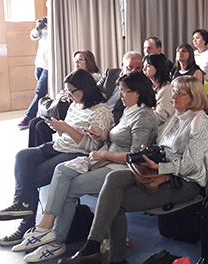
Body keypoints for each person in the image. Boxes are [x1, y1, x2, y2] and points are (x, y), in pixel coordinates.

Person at [60, 76, 208, 264]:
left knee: (114, 203)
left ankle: (102, 254)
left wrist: (159, 166)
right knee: (115, 178)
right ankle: (94, 248)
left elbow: (193, 166)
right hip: (161, 172)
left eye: (179, 93)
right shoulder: (176, 118)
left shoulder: (201, 123)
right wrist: (151, 157)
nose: (172, 97)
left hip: (183, 183)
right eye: (173, 91)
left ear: (193, 97)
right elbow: (165, 149)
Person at [11, 72, 158, 262]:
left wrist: (104, 153)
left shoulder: (143, 117)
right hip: (107, 160)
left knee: (68, 188)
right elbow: (121, 139)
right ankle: (46, 229)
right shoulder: (131, 111)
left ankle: (55, 239)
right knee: (62, 170)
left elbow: (135, 157)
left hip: (121, 169)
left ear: (138, 92)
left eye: (124, 91)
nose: (120, 95)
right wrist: (103, 135)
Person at [0, 70, 113, 247]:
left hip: (77, 153)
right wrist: (59, 129)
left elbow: (92, 147)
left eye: (73, 91)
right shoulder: (75, 105)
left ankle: (25, 224)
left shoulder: (101, 111)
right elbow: (67, 133)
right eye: (68, 92)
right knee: (23, 156)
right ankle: (21, 203)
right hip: (60, 146)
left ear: (85, 89)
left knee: (30, 178)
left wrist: (66, 128)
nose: (70, 96)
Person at [18, 17, 50, 129]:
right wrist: (39, 27)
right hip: (39, 63)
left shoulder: (56, 23)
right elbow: (33, 36)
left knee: (40, 91)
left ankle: (28, 117)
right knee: (43, 91)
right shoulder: (42, 22)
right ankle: (43, 114)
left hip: (49, 65)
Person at [98, 51, 143, 124]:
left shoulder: (140, 84)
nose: (133, 71)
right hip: (99, 110)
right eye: (129, 67)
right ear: (122, 66)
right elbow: (96, 88)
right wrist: (100, 93)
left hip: (116, 119)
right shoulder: (110, 73)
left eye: (138, 69)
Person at [143, 54, 175, 130]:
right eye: (143, 66)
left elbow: (161, 116)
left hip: (163, 130)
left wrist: (140, 118)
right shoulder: (150, 87)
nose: (144, 69)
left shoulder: (166, 88)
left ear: (158, 67)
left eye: (148, 66)